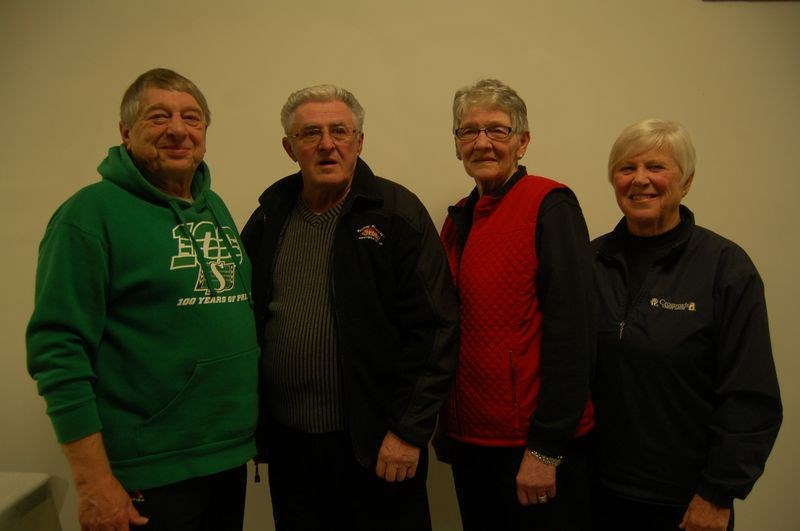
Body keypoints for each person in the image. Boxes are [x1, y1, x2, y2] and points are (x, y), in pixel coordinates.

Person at [26, 68, 260, 531]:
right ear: (125, 132)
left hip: (224, 458)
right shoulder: (88, 216)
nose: (177, 129)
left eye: (191, 118)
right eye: (159, 117)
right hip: (148, 472)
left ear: (205, 134)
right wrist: (93, 483)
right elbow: (58, 353)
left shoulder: (215, 209)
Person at [241, 84, 459, 531]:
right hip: (291, 449)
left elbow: (436, 328)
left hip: (377, 446)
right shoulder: (268, 217)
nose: (326, 144)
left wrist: (407, 431)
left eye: (339, 131)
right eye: (310, 134)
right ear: (290, 148)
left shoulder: (396, 214)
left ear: (359, 141)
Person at [589, 118, 783, 531]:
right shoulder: (590, 263)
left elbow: (750, 397)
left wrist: (717, 495)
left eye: (656, 167)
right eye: (627, 168)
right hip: (595, 492)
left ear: (687, 181)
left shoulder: (725, 269)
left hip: (685, 503)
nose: (640, 180)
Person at [435, 78, 595, 531]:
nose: (482, 143)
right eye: (469, 131)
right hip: (472, 443)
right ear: (457, 144)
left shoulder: (549, 204)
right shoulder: (457, 219)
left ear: (522, 142)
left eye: (497, 130)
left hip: (533, 449)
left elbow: (573, 331)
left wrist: (546, 448)